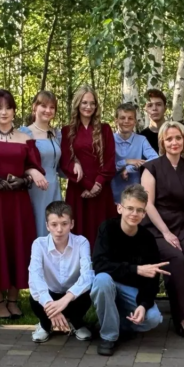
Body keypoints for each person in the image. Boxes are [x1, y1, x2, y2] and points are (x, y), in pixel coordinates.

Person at [0, 89, 47, 318]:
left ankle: (14, 300)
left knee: (19, 246)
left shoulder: (26, 139)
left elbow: (33, 167)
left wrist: (25, 180)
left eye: (8, 107)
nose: (3, 112)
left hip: (18, 202)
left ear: (14, 111)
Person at [141, 121, 184, 341]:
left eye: (178, 138)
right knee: (175, 258)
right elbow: (147, 205)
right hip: (156, 226)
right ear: (162, 142)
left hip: (182, 222)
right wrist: (166, 233)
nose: (174, 142)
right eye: (169, 139)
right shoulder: (151, 167)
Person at [90, 185, 167, 356]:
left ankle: (119, 323)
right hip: (109, 284)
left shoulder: (147, 238)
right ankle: (108, 336)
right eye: (130, 208)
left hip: (131, 291)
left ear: (144, 213)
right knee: (101, 280)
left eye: (139, 210)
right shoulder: (107, 228)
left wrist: (144, 305)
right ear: (120, 208)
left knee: (153, 319)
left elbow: (152, 279)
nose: (134, 213)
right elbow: (99, 265)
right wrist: (136, 269)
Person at [28, 201, 94, 344]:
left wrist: (65, 299)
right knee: (35, 295)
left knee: (88, 291)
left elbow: (87, 275)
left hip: (73, 296)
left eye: (64, 224)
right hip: (49, 295)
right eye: (54, 224)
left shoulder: (82, 242)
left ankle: (76, 323)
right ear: (47, 226)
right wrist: (52, 307)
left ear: (72, 224)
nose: (59, 229)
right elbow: (35, 277)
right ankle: (45, 325)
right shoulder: (39, 244)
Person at [60, 85, 117, 250]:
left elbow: (110, 159)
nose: (88, 107)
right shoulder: (67, 131)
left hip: (102, 190)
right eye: (84, 102)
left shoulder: (105, 129)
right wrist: (87, 185)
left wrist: (97, 184)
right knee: (78, 234)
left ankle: (102, 265)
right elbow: (65, 162)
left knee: (102, 234)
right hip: (78, 190)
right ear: (78, 104)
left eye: (92, 103)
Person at [20, 90, 63, 237]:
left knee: (56, 228)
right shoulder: (24, 133)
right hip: (34, 188)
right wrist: (31, 171)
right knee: (37, 227)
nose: (48, 110)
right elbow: (17, 164)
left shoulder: (56, 134)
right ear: (34, 107)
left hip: (54, 187)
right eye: (43, 106)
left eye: (52, 107)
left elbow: (63, 162)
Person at [112, 102, 158, 202]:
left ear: (135, 122)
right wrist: (126, 161)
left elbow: (155, 159)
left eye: (130, 118)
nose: (126, 121)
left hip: (134, 196)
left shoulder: (141, 140)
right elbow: (106, 167)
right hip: (111, 195)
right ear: (116, 121)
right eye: (122, 118)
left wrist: (129, 168)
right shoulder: (109, 139)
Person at [140, 88, 168, 153]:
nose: (154, 108)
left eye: (158, 104)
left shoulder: (176, 132)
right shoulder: (141, 137)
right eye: (150, 105)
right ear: (145, 109)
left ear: (165, 108)